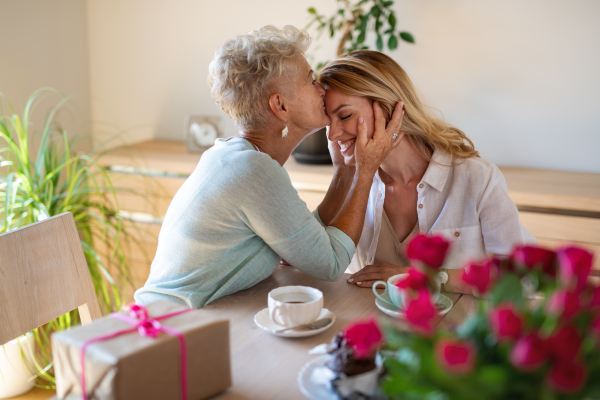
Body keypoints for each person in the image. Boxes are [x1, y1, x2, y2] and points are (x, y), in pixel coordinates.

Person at [134, 27, 404, 308]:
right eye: (311, 81)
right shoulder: (253, 172)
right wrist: (365, 171)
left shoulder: (236, 157)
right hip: (169, 329)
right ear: (280, 106)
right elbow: (332, 263)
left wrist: (344, 171)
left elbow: (305, 248)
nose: (322, 88)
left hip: (188, 321)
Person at [318, 50, 536, 293]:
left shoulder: (478, 179)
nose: (332, 134)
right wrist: (342, 173)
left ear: (388, 109)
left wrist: (419, 277)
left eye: (345, 116)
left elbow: (517, 277)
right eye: (328, 122)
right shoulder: (353, 184)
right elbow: (315, 257)